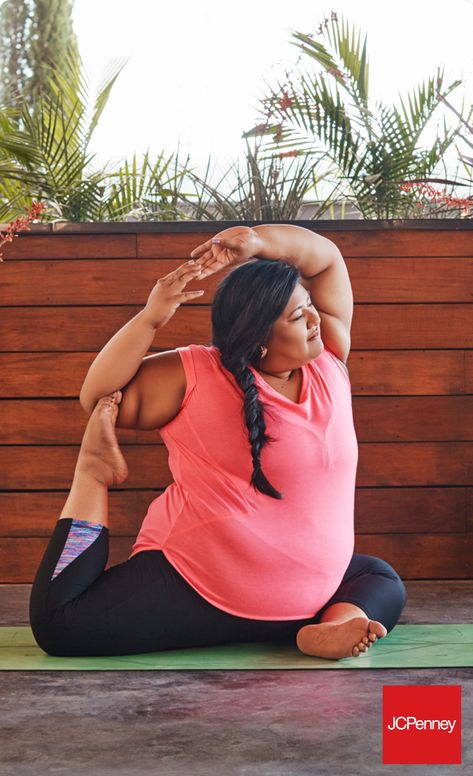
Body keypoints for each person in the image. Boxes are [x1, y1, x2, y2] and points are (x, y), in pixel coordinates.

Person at [29, 224, 407, 659]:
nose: (316, 318)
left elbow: (325, 260)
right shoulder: (201, 373)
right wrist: (153, 315)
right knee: (379, 581)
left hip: (219, 594)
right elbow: (98, 397)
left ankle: (335, 628)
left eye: (309, 307)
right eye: (298, 316)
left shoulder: (326, 362)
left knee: (379, 576)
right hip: (222, 587)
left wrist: (257, 242)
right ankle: (331, 618)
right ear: (259, 341)